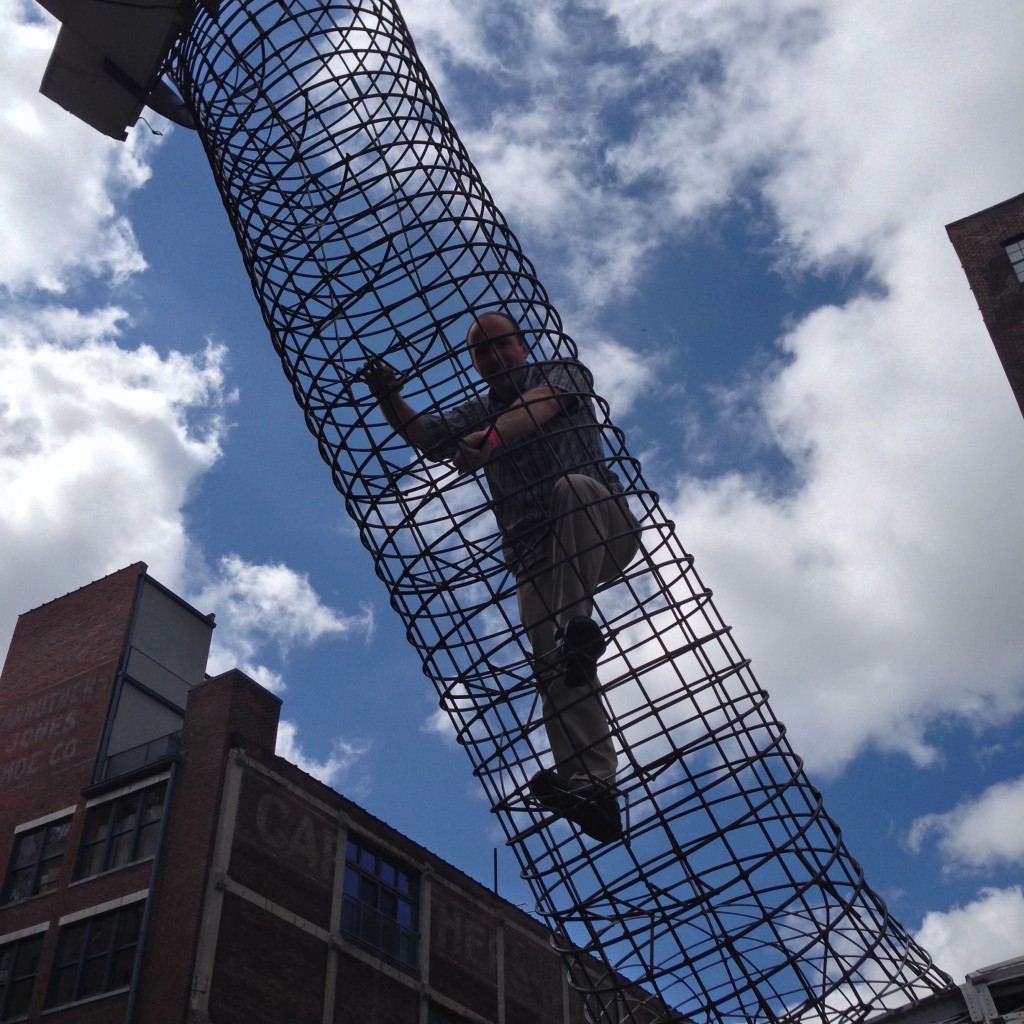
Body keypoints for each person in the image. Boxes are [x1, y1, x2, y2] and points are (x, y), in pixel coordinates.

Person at [363, 312, 639, 840]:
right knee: (551, 660)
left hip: (602, 528)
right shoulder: (477, 410)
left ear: (522, 346)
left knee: (572, 490)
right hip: (535, 560)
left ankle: (575, 631)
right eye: (481, 352)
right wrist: (388, 397)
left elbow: (540, 408)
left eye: (500, 345)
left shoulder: (561, 371)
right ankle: (594, 786)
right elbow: (427, 435)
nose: (493, 357)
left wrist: (487, 442)